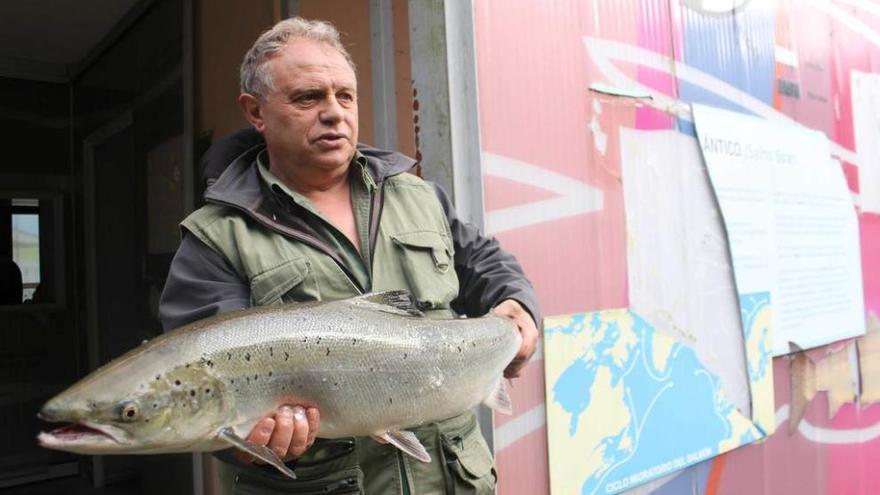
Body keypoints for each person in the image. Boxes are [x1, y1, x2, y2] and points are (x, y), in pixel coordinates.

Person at [159, 17, 540, 495]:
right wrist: (242, 442)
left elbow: (486, 261)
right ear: (255, 111)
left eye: (345, 96)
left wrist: (518, 305)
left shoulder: (417, 195)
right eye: (308, 97)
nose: (335, 113)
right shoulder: (215, 239)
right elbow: (206, 392)